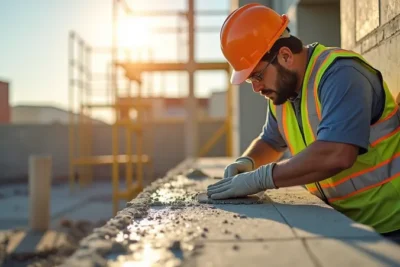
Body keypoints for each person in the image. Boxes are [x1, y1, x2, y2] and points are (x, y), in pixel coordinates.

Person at [207, 3, 400, 243]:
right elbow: (271, 140)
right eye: (249, 81)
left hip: (390, 224)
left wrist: (262, 178)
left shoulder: (342, 74)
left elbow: (338, 153)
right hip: (343, 225)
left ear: (285, 56)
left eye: (257, 75)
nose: (256, 88)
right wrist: (247, 162)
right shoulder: (281, 94)